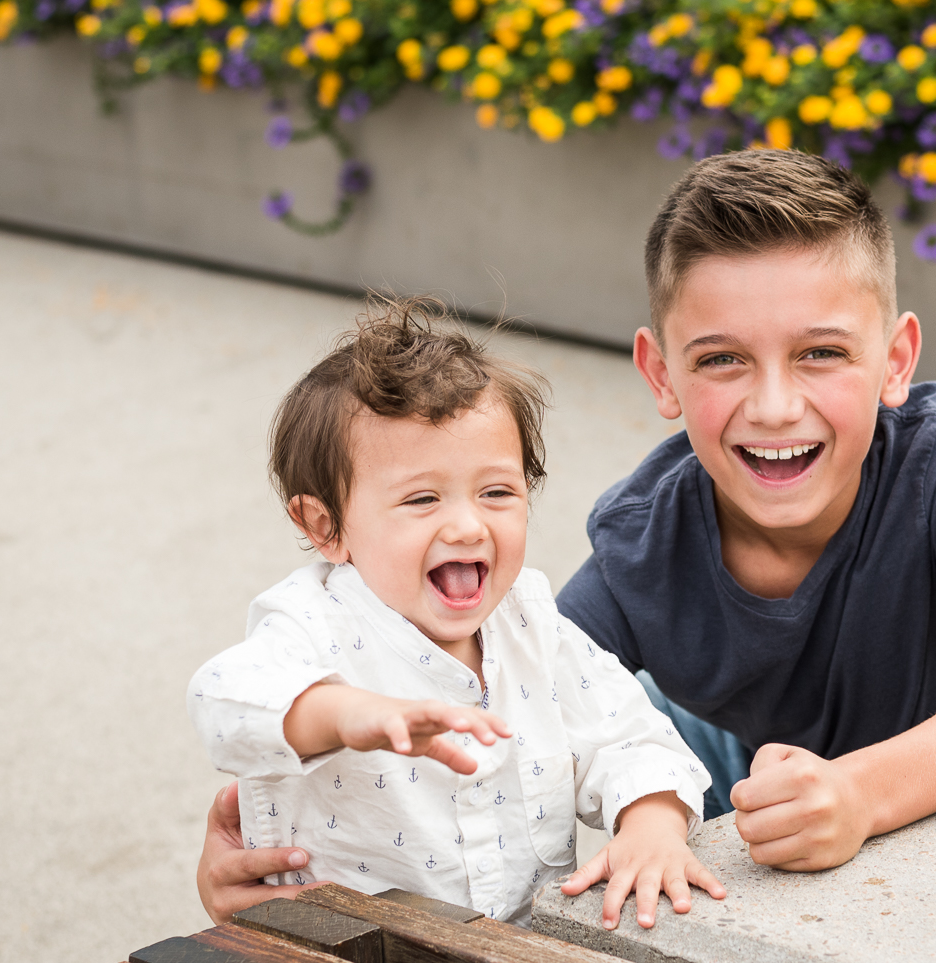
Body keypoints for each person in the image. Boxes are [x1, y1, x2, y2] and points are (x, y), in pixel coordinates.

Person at [198, 149, 936, 928]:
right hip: (755, 774)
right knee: (598, 715)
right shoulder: (640, 546)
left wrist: (858, 793)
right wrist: (278, 826)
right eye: (721, 359)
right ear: (660, 373)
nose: (775, 404)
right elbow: (469, 706)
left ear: (896, 361)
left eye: (821, 353)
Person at [188, 298, 719, 928]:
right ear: (326, 525)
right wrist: (349, 714)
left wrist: (652, 826)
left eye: (497, 492)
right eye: (421, 499)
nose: (468, 525)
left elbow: (631, 738)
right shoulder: (312, 624)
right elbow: (222, 702)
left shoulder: (533, 628)